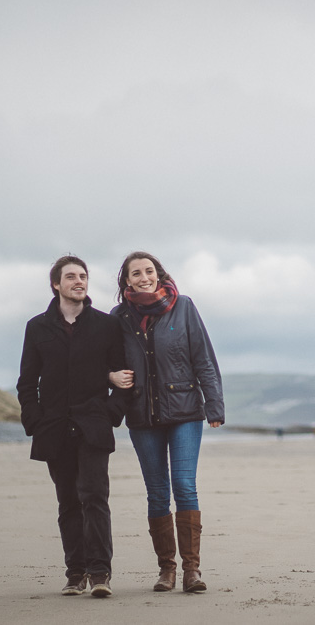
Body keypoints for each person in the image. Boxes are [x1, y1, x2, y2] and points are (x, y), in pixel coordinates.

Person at [109, 251, 225, 593]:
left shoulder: (184, 306)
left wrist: (214, 405)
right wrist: (110, 375)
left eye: (148, 271)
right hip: (142, 416)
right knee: (157, 493)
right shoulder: (119, 317)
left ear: (158, 274)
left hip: (186, 411)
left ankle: (192, 571)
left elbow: (203, 357)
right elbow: (103, 359)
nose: (143, 277)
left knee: (184, 486)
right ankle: (166, 570)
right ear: (126, 280)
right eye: (136, 273)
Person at [17, 255, 129, 598]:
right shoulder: (37, 327)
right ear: (56, 284)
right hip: (53, 426)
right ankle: (75, 572)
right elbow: (27, 382)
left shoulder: (105, 326)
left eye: (83, 276)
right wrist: (34, 420)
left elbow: (124, 378)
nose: (79, 281)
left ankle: (100, 574)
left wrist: (110, 413)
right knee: (67, 501)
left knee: (95, 497)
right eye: (71, 277)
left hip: (93, 425)